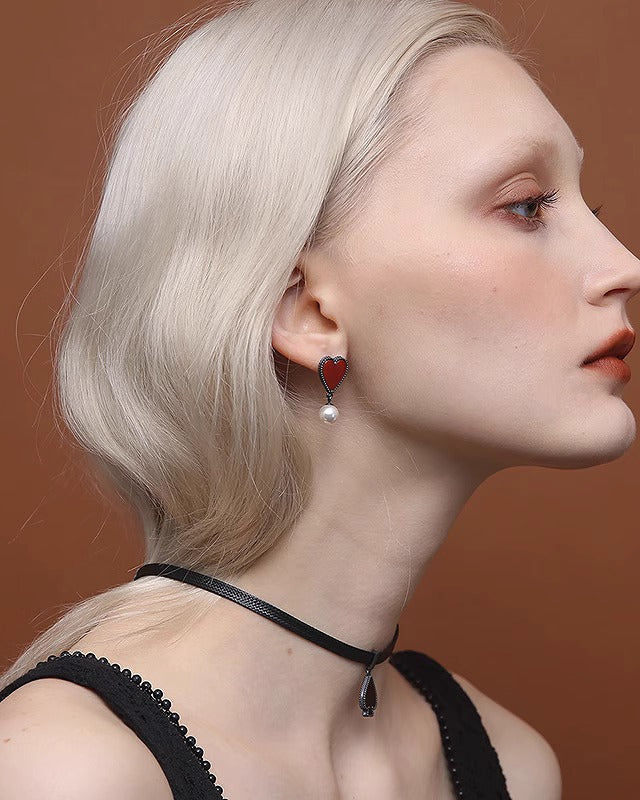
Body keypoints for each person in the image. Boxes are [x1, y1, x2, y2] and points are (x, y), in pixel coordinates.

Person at [1, 0, 638, 797]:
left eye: (588, 207)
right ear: (309, 312)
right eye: (527, 205)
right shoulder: (67, 770)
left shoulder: (510, 766)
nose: (624, 265)